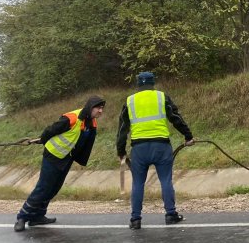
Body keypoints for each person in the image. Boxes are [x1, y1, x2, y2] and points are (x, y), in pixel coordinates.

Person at [14, 96, 106, 232]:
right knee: (43, 187)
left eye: (102, 108)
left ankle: (38, 216)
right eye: (98, 108)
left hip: (65, 158)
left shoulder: (91, 123)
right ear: (90, 106)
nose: (100, 111)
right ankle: (22, 217)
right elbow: (50, 130)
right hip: (53, 156)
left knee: (54, 188)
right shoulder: (72, 118)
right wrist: (43, 140)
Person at [116, 71, 194, 229]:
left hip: (139, 148)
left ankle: (135, 219)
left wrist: (121, 151)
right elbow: (175, 118)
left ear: (138, 85)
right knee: (165, 180)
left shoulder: (130, 101)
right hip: (161, 146)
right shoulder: (161, 97)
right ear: (153, 83)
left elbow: (122, 129)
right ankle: (171, 214)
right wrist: (188, 136)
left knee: (138, 183)